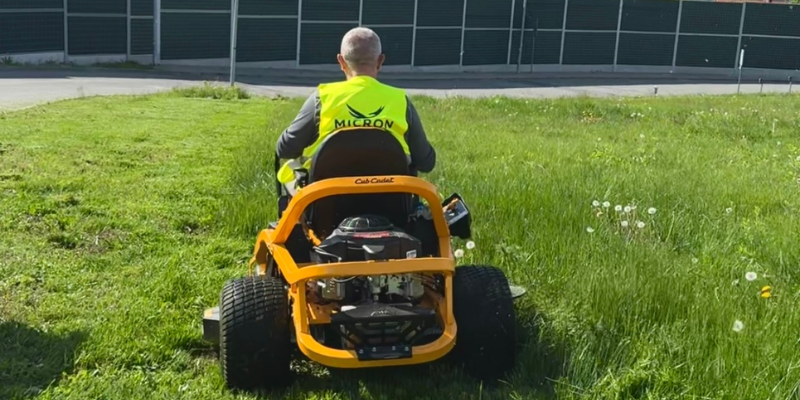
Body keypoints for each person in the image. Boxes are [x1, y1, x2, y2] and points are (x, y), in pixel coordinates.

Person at [275, 27, 436, 196]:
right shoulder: (400, 101)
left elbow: (285, 149)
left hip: (325, 207)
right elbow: (426, 162)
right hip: (392, 206)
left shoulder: (322, 98)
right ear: (380, 61)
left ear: (341, 62)